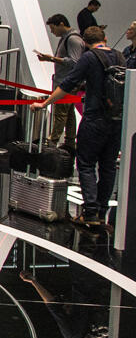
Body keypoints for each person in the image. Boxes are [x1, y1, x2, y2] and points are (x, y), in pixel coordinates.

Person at [31, 26, 123, 226]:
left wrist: (45, 103)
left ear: (85, 42)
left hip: (94, 119)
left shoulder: (89, 58)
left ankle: (90, 213)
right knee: (108, 167)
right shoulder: (119, 56)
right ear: (105, 38)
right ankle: (101, 210)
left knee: (86, 164)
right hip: (117, 121)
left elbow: (68, 84)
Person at [34, 14, 85, 152]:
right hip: (66, 81)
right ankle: (69, 142)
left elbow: (75, 62)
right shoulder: (68, 38)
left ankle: (52, 142)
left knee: (60, 113)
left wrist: (52, 59)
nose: (52, 31)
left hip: (67, 83)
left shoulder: (73, 39)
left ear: (61, 24)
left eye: (53, 28)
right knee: (68, 114)